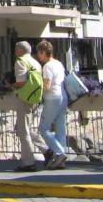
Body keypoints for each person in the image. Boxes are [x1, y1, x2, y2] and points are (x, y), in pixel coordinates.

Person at [35, 40, 68, 169]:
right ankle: (61, 158)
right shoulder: (59, 64)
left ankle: (59, 153)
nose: (38, 56)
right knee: (60, 128)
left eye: (39, 53)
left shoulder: (47, 66)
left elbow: (47, 86)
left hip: (52, 98)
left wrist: (37, 91)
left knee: (43, 129)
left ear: (43, 52)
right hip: (62, 96)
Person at [10, 41, 42, 171]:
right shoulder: (36, 63)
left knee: (23, 131)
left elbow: (21, 82)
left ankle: (28, 162)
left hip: (24, 97)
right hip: (35, 97)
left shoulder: (20, 61)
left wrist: (11, 85)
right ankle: (47, 150)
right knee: (22, 127)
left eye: (16, 49)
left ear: (20, 50)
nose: (15, 52)